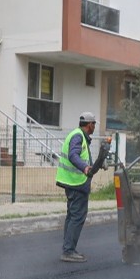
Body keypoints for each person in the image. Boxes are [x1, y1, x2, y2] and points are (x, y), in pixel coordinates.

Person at [57, 111, 100, 263]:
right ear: (90, 124)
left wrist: (98, 164)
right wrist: (85, 168)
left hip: (73, 182)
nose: (95, 126)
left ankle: (68, 248)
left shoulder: (79, 136)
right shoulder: (78, 136)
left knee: (72, 216)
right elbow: (73, 155)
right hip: (76, 182)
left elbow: (82, 157)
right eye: (94, 124)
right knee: (77, 216)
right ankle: (68, 251)